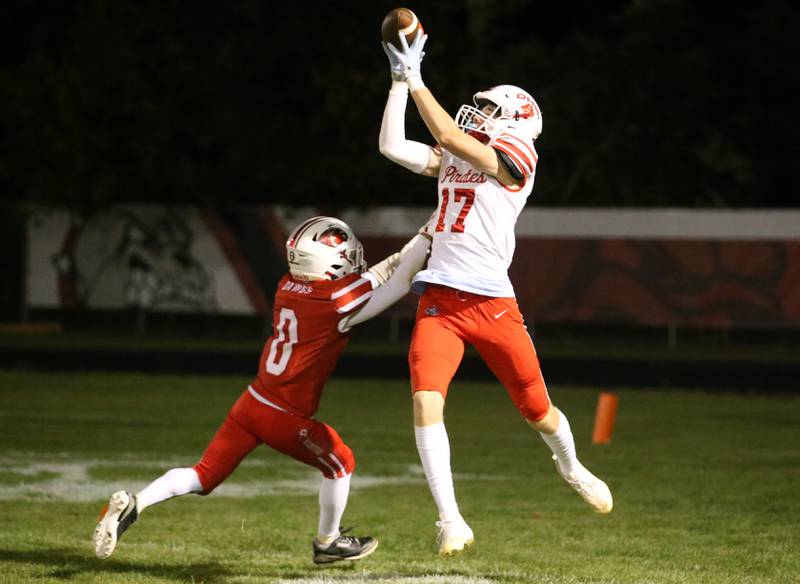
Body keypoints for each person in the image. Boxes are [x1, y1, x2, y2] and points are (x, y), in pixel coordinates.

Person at [380, 31, 613, 556]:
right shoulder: (462, 154)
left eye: (487, 107)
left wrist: (417, 80)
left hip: (491, 302)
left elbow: (455, 139)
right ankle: (451, 519)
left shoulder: (518, 155)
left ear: (513, 118)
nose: (476, 112)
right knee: (424, 401)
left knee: (537, 409)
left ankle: (572, 466)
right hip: (441, 298)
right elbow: (392, 147)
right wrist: (398, 82)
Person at [93, 215, 431, 564]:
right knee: (340, 462)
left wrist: (424, 235)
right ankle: (327, 543)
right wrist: (432, 236)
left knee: (203, 474)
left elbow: (380, 274)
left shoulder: (288, 285)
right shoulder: (334, 301)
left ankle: (138, 502)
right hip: (284, 414)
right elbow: (397, 282)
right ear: (331, 260)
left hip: (253, 401)